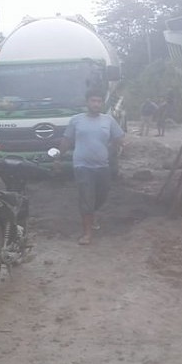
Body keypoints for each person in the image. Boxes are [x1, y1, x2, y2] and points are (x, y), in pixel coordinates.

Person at [59, 87, 125, 245]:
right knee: (86, 197)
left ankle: (92, 214)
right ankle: (87, 233)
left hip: (103, 166)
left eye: (99, 101)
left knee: (102, 195)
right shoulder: (76, 120)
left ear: (102, 103)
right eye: (93, 101)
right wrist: (58, 157)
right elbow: (67, 140)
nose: (96, 104)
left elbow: (119, 138)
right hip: (82, 166)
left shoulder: (108, 120)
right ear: (87, 102)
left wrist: (115, 148)